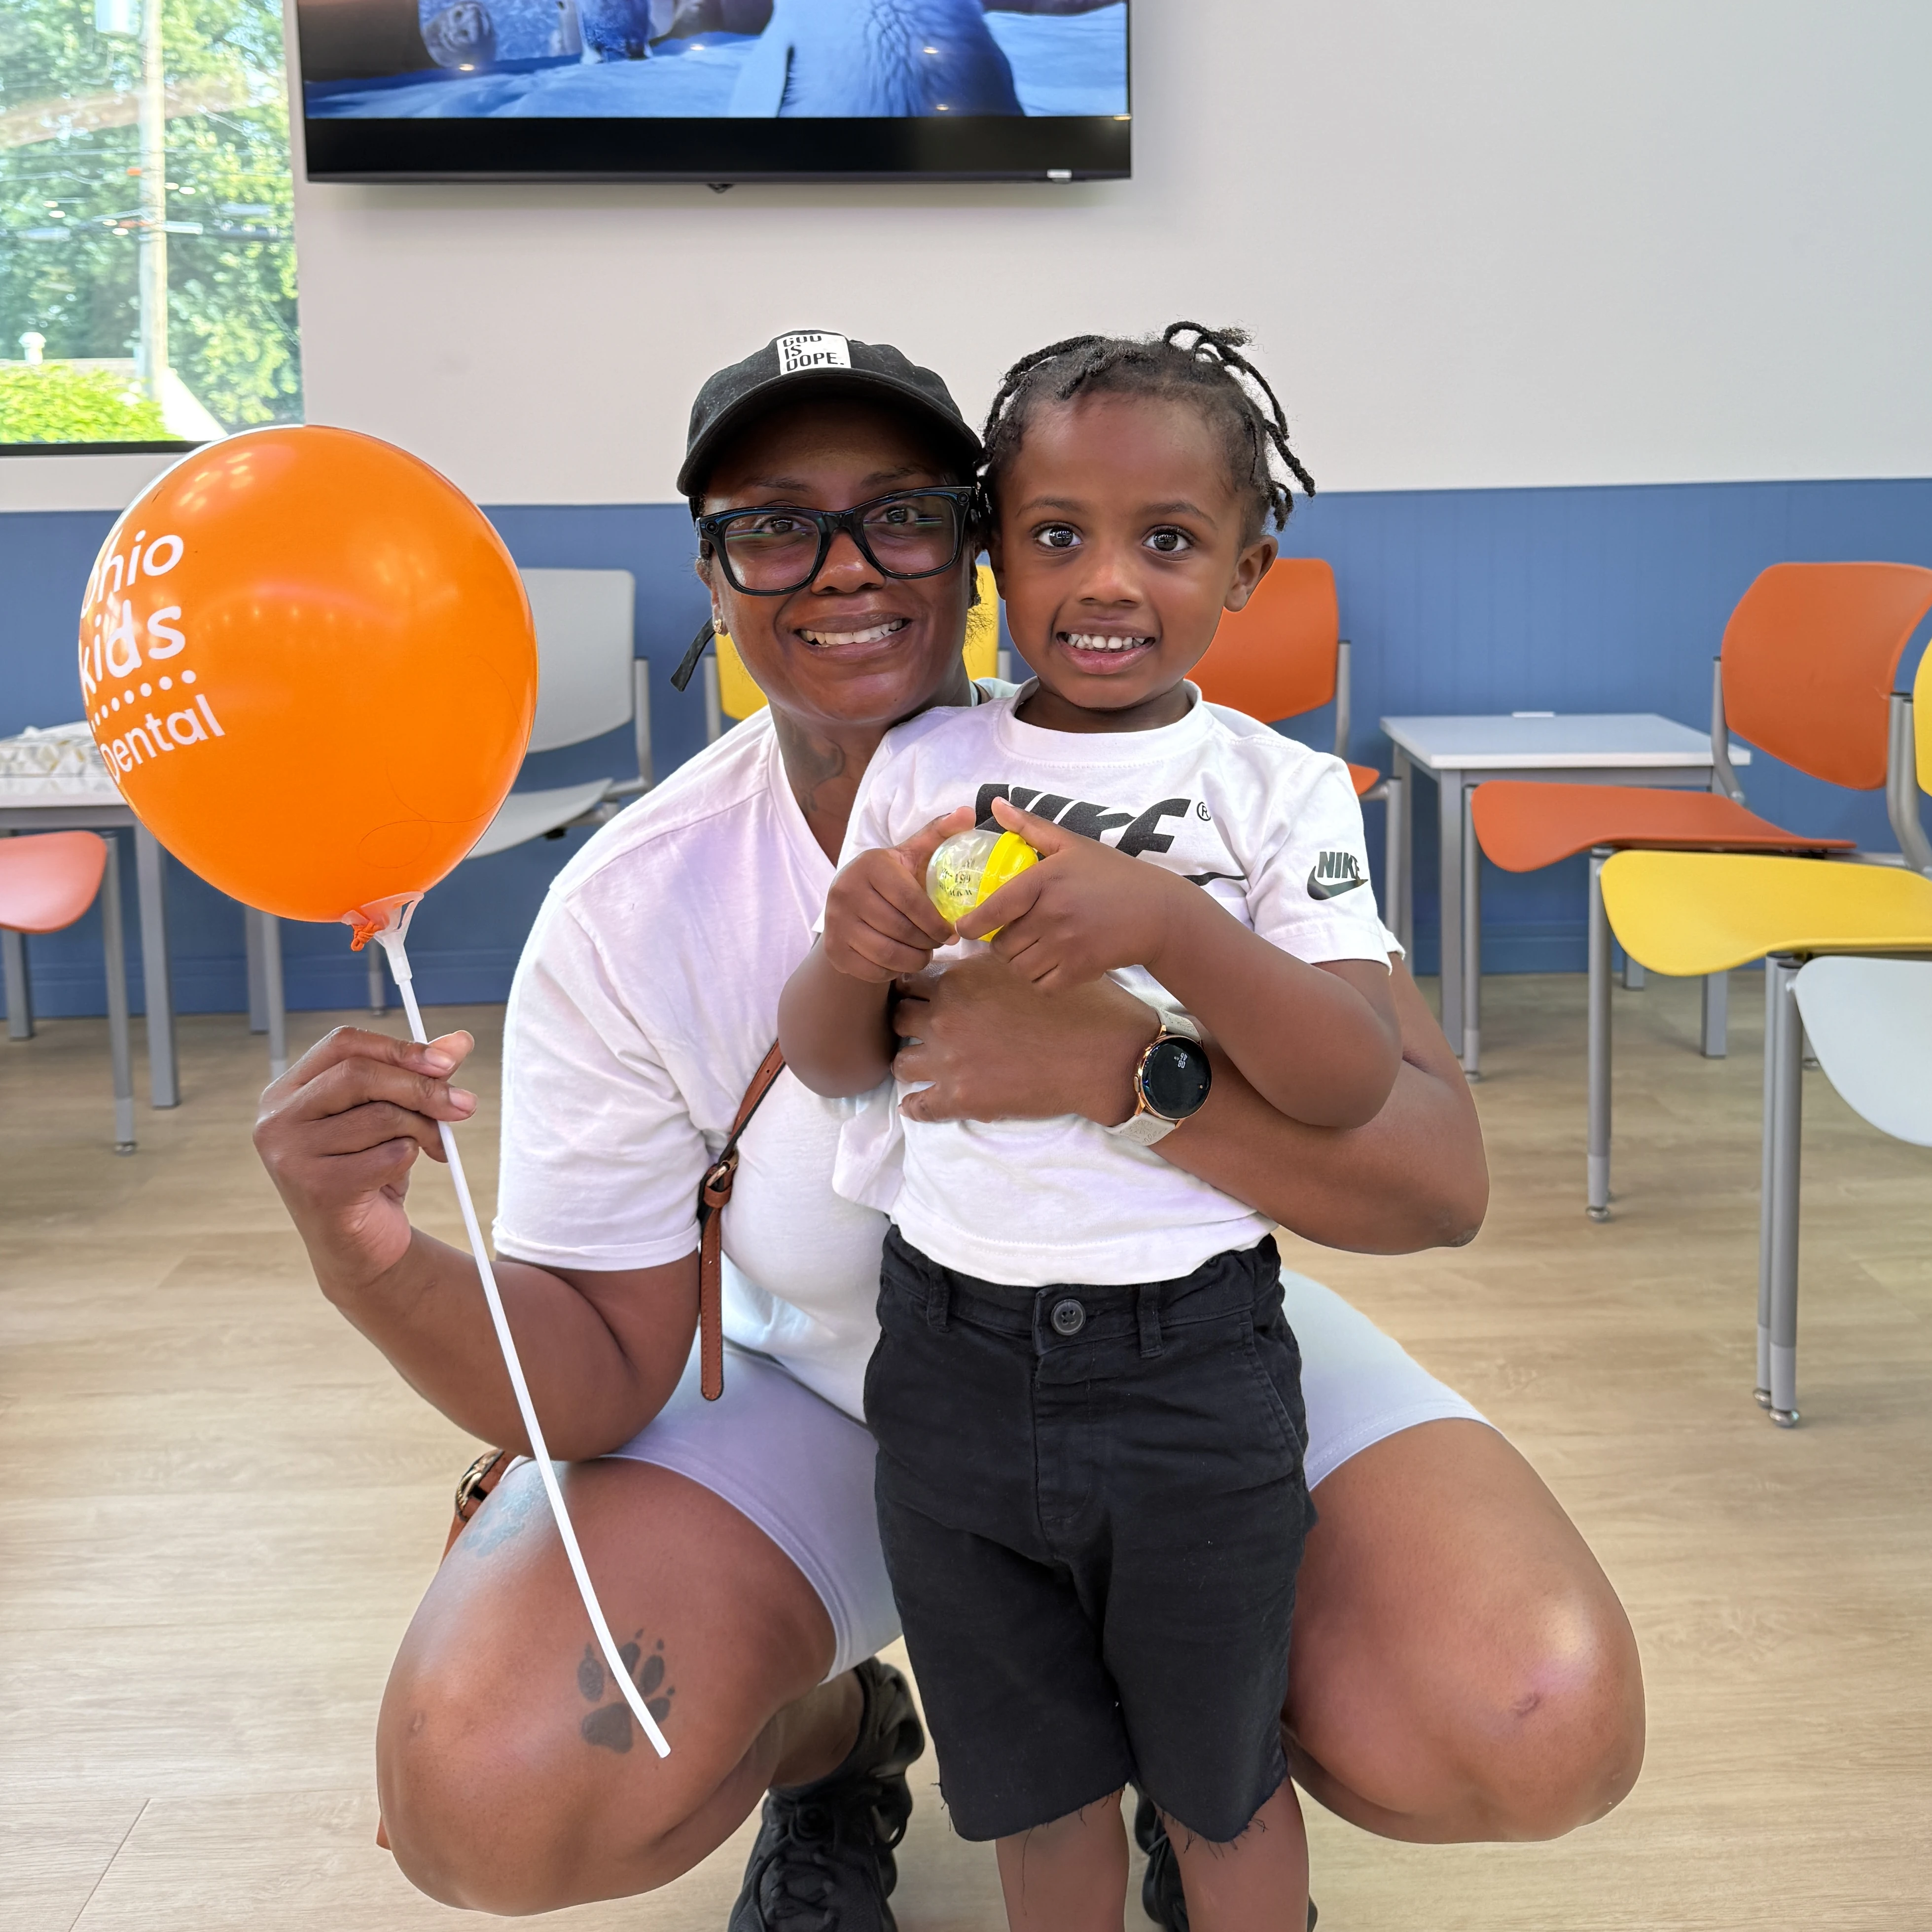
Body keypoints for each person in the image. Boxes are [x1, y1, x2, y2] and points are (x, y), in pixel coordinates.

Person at [252, 330, 1644, 1932]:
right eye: (776, 523)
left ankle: (1183, 1738)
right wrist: (368, 1253)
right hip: (829, 1384)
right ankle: (839, 1741)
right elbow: (599, 1374)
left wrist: (1131, 1065)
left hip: (1176, 1348)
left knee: (1533, 1711)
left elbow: (1430, 1176)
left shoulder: (1197, 787)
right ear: (713, 574)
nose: (843, 568)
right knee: (489, 1793)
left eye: (899, 512)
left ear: (965, 544)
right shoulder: (636, 901)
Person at [780, 323, 1400, 1930]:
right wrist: (851, 943)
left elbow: (1346, 1081)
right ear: (995, 548)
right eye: (1057, 534)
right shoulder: (922, 759)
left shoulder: (1276, 794)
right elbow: (831, 1059)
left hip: (1190, 1370)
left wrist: (1175, 933)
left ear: (1247, 565)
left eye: (1168, 539)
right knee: (1035, 1793)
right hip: (951, 1363)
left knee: (1219, 1783)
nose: (1106, 581)